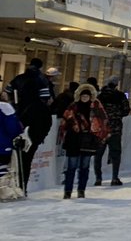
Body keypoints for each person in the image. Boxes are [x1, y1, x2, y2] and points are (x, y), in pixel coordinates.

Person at [4, 57, 53, 193]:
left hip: (16, 121)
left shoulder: (18, 79)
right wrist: (40, 136)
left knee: (10, 160)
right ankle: (22, 187)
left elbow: (7, 91)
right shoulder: (42, 82)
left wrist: (13, 103)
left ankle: (9, 187)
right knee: (27, 160)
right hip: (33, 130)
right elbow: (47, 101)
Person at [59, 82, 109, 198]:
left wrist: (100, 135)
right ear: (79, 96)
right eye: (83, 96)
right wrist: (66, 133)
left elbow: (103, 122)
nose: (85, 98)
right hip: (73, 140)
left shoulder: (96, 108)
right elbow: (65, 121)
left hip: (88, 141)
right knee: (71, 167)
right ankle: (68, 191)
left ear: (91, 96)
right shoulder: (73, 107)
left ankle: (81, 189)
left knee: (84, 167)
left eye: (87, 96)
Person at [94, 77, 130, 186]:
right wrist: (117, 115)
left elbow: (94, 110)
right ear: (116, 84)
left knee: (98, 154)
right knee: (115, 154)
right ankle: (114, 178)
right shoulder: (120, 95)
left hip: (101, 129)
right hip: (115, 128)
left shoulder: (100, 96)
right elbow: (126, 110)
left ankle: (98, 178)